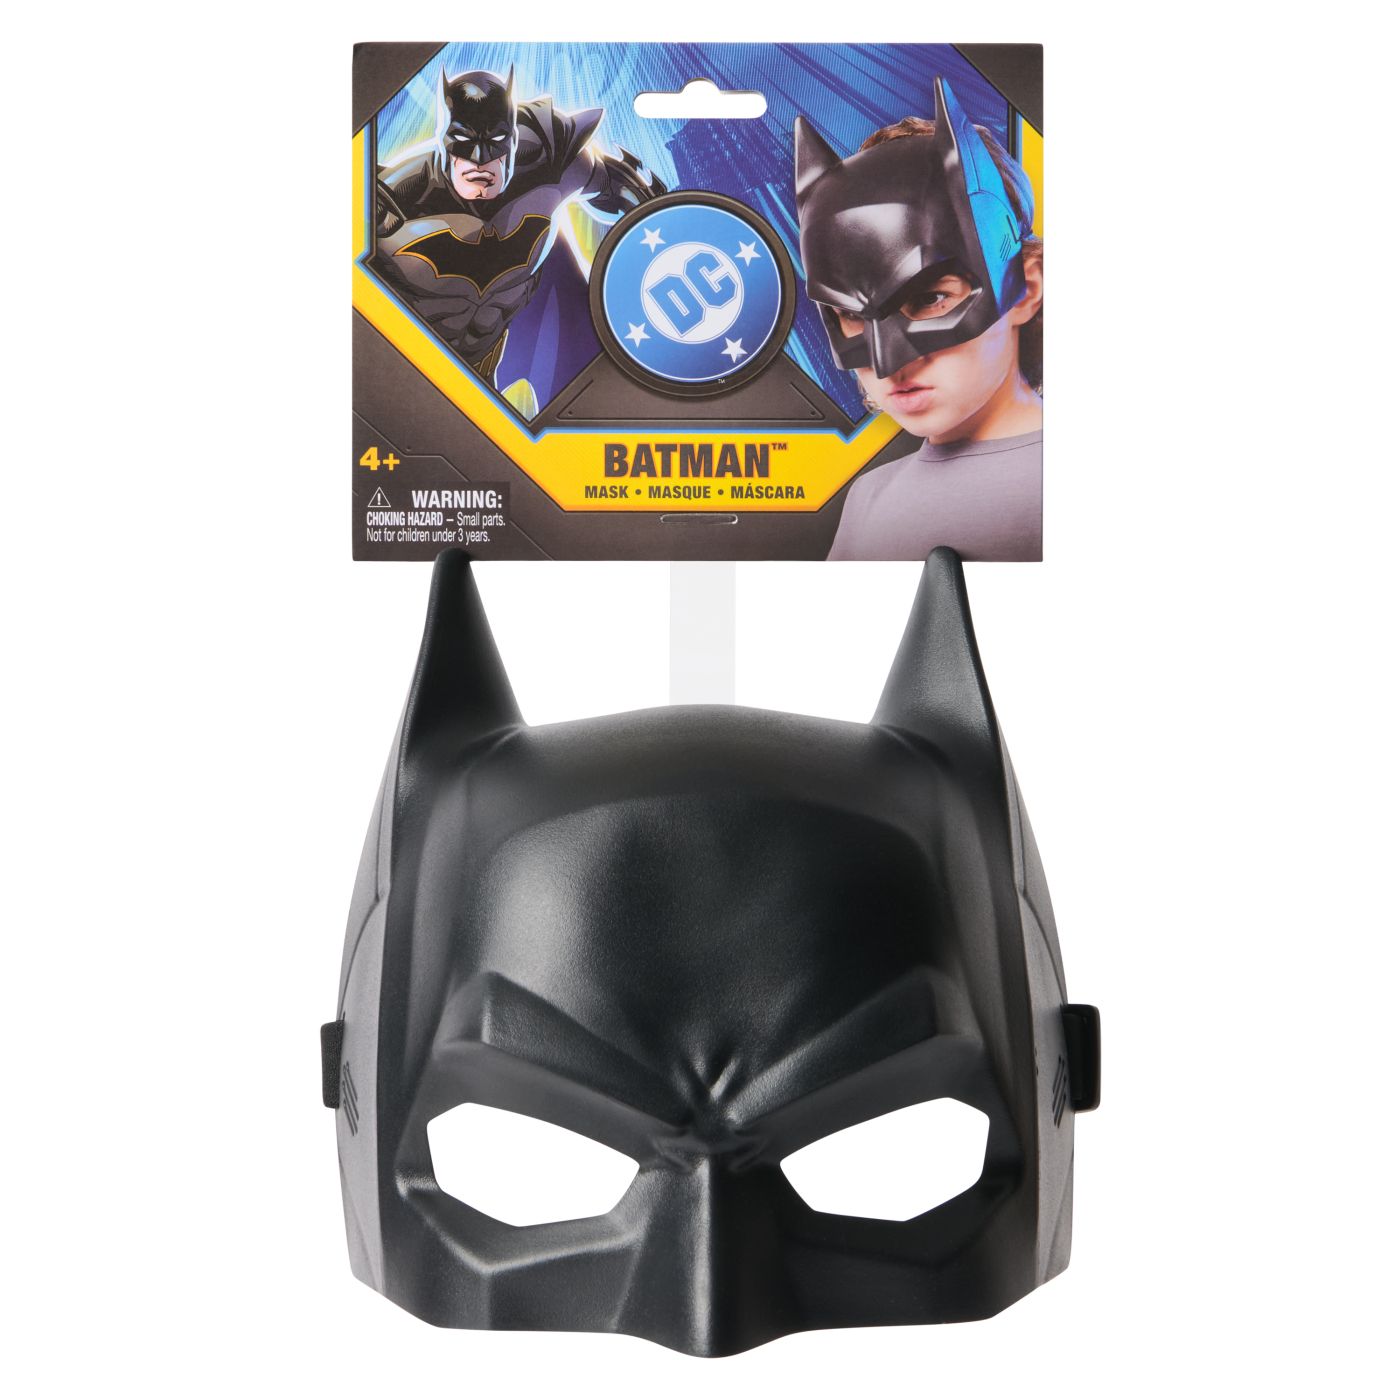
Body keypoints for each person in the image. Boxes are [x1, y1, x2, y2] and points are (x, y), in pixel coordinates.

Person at [794, 79, 1043, 560]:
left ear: (1026, 288)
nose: (888, 363)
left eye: (930, 298)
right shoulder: (870, 498)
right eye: (850, 313)